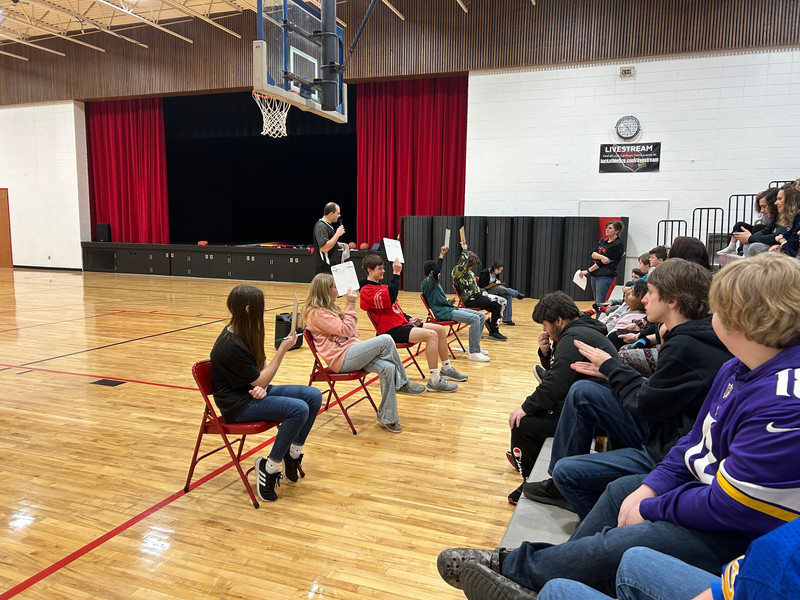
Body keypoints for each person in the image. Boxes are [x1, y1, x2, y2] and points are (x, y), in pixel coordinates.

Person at [437, 252, 800, 598]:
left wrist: (654, 504)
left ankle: (519, 569)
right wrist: (654, 486)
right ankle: (552, 569)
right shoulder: (737, 366)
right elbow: (694, 440)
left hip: (741, 534)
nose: (711, 313)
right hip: (697, 480)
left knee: (626, 539)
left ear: (746, 317)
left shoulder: (783, 400)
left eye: (720, 306)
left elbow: (730, 506)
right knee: (619, 490)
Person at [524, 259, 732, 518]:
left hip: (666, 449)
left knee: (567, 469)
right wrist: (610, 371)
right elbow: (658, 392)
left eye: (651, 293)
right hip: (666, 430)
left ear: (672, 301)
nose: (644, 300)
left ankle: (594, 517)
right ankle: (557, 487)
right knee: (583, 392)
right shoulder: (687, 335)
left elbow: (642, 404)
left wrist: (612, 368)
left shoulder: (685, 345)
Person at [209, 284, 322, 502]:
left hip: (251, 392)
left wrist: (258, 385)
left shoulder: (245, 331)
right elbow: (261, 377)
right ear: (250, 310)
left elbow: (257, 373)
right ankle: (269, 467)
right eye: (261, 307)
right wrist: (281, 350)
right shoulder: (229, 345)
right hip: (238, 406)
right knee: (298, 409)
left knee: (313, 396)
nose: (265, 310)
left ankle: (293, 453)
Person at [506, 291, 618, 505]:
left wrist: (526, 407)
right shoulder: (582, 329)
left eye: (545, 324)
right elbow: (564, 374)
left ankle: (534, 480)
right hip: (595, 406)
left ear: (559, 320)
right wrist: (546, 354)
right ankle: (535, 470)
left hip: (594, 415)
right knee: (536, 413)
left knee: (523, 423)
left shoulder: (573, 337)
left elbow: (557, 383)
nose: (544, 330)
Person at [538, 514, 800, 600]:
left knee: (557, 591)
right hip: (744, 577)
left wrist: (655, 504)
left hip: (747, 556)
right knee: (635, 559)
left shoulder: (782, 555)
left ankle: (524, 567)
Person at [301, 273, 426, 434]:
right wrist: (351, 303)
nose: (337, 289)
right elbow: (346, 329)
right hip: (342, 359)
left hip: (352, 352)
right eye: (333, 287)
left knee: (388, 367)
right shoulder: (316, 313)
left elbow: (351, 332)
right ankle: (402, 382)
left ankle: (388, 417)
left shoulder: (329, 308)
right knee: (386, 339)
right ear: (324, 291)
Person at [359, 254, 467, 392]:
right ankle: (434, 381)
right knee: (431, 335)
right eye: (380, 269)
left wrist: (408, 318)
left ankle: (446, 369)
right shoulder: (366, 290)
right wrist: (396, 274)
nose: (383, 271)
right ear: (369, 270)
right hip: (390, 330)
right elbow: (390, 299)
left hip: (401, 324)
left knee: (440, 329)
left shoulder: (382, 286)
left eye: (383, 268)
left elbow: (395, 309)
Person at [422, 246, 490, 362]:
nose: (440, 274)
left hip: (448, 308)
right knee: (474, 319)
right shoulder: (427, 283)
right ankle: (473, 353)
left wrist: (448, 302)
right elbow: (437, 271)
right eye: (437, 272)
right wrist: (441, 255)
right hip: (443, 313)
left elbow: (435, 300)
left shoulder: (434, 284)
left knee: (481, 316)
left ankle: (474, 347)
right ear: (432, 272)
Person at [452, 240, 507, 341]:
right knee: (496, 305)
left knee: (499, 303)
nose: (472, 267)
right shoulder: (457, 272)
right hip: (469, 300)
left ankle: (492, 326)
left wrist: (483, 292)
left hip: (476, 296)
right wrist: (465, 251)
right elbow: (462, 266)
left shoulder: (470, 273)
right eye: (471, 265)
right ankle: (493, 332)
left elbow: (476, 288)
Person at [578, 220, 625, 313]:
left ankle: (599, 322)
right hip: (595, 274)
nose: (607, 229)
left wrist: (587, 271)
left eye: (610, 228)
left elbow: (602, 263)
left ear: (616, 231)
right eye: (607, 227)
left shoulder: (617, 245)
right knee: (597, 301)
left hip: (605, 276)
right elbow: (592, 253)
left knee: (600, 302)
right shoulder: (604, 240)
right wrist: (601, 256)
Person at [717, 190, 769, 256]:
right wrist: (758, 222)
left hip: (766, 231)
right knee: (739, 225)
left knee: (757, 228)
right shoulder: (763, 211)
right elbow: (762, 219)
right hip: (761, 228)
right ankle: (731, 247)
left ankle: (743, 251)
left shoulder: (772, 211)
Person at [477, 259, 524, 326]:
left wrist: (497, 283)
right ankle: (516, 294)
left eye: (501, 270)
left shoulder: (496, 274)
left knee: (508, 296)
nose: (499, 272)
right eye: (498, 270)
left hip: (494, 290)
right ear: (495, 267)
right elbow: (482, 286)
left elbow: (495, 282)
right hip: (486, 291)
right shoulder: (485, 272)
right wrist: (494, 283)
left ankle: (507, 319)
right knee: (500, 288)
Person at [312, 202, 347, 274]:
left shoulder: (328, 225)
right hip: (324, 267)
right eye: (338, 213)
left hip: (330, 265)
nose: (339, 215)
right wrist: (337, 234)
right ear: (331, 214)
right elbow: (324, 248)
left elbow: (328, 240)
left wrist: (336, 244)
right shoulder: (321, 226)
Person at [770, 179, 800, 257]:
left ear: (790, 201)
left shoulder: (798, 216)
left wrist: (781, 240)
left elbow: (791, 249)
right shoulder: (789, 218)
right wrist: (781, 245)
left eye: (779, 199)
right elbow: (787, 238)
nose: (775, 203)